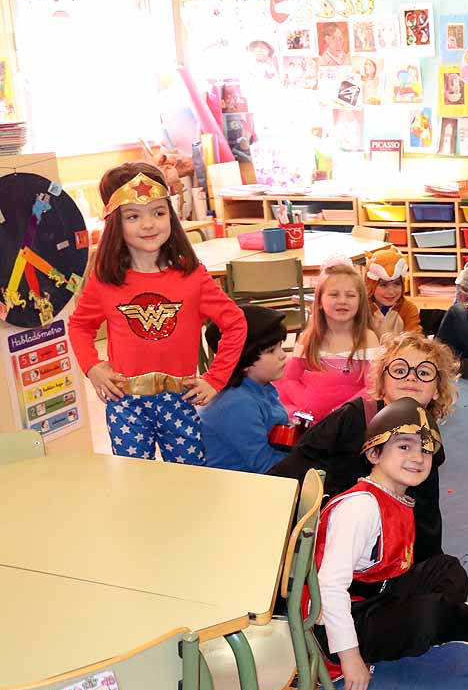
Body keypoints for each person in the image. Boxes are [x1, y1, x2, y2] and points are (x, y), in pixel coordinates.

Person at [310, 398, 468, 690]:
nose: (418, 457)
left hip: (376, 596)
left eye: (425, 449)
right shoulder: (360, 508)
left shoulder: (394, 497)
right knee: (427, 614)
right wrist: (350, 657)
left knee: (448, 569)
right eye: (404, 447)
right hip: (334, 625)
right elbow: (329, 587)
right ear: (374, 452)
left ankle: (440, 627)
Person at [68, 162, 246, 463]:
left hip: (180, 398)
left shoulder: (193, 277)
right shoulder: (105, 280)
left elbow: (235, 323)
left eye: (159, 212)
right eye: (133, 216)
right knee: (136, 480)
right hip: (125, 401)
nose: (148, 225)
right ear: (114, 222)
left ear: (171, 216)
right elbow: (79, 326)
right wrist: (93, 367)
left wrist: (215, 379)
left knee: (190, 478)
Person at [270, 333, 459, 563]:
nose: (411, 378)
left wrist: (428, 568)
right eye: (399, 371)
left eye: (424, 373)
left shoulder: (427, 435)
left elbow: (425, 515)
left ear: (437, 389)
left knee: (446, 572)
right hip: (336, 538)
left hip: (388, 548)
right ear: (382, 382)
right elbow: (293, 467)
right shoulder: (354, 417)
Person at [275, 261, 380, 423]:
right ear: (320, 302)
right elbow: (290, 378)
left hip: (349, 420)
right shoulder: (309, 338)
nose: (342, 301)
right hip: (310, 419)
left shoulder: (367, 338)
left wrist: (340, 414)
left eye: (350, 295)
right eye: (334, 294)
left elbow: (372, 387)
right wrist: (306, 404)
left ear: (360, 302)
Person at [200, 305, 289, 474]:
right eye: (271, 351)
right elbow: (267, 466)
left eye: (280, 346)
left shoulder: (261, 387)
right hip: (239, 489)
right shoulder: (236, 403)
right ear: (244, 362)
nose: (282, 355)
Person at [365, 247, 421, 339]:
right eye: (383, 285)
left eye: (397, 284)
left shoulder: (408, 309)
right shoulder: (363, 309)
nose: (391, 292)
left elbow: (416, 340)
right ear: (371, 285)